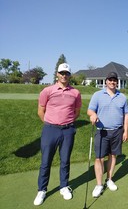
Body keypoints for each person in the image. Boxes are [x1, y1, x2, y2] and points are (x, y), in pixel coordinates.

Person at [33, 63, 82, 206]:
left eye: (66, 73)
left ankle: (64, 186)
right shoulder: (47, 91)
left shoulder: (75, 93)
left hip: (68, 130)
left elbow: (77, 112)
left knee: (65, 160)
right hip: (50, 130)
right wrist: (50, 123)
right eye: (62, 73)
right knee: (45, 161)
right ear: (57, 74)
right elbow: (40, 111)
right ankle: (42, 190)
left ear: (70, 75)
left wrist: (67, 123)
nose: (64, 75)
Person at [87, 72, 128, 198]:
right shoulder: (97, 95)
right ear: (106, 81)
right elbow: (90, 110)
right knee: (99, 158)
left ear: (117, 82)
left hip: (117, 130)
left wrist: (126, 130)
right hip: (102, 131)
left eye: (114, 80)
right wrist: (93, 115)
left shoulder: (122, 97)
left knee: (113, 156)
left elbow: (126, 114)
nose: (112, 82)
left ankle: (109, 179)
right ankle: (99, 184)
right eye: (110, 80)